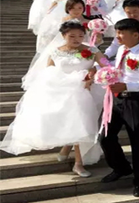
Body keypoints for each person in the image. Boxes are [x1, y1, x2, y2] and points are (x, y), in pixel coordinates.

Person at [1, 21, 106, 177]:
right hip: (60, 91)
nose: (77, 39)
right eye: (72, 36)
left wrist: (94, 70)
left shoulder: (91, 50)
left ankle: (78, 163)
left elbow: (106, 66)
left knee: (80, 123)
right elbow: (48, 71)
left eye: (80, 36)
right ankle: (67, 151)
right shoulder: (56, 51)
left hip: (83, 91)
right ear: (63, 36)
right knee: (69, 124)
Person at [100, 18, 139, 198]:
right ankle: (122, 168)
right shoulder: (121, 49)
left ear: (135, 35)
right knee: (105, 137)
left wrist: (128, 86)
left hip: (138, 102)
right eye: (117, 32)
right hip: (117, 100)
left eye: (121, 33)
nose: (118, 36)